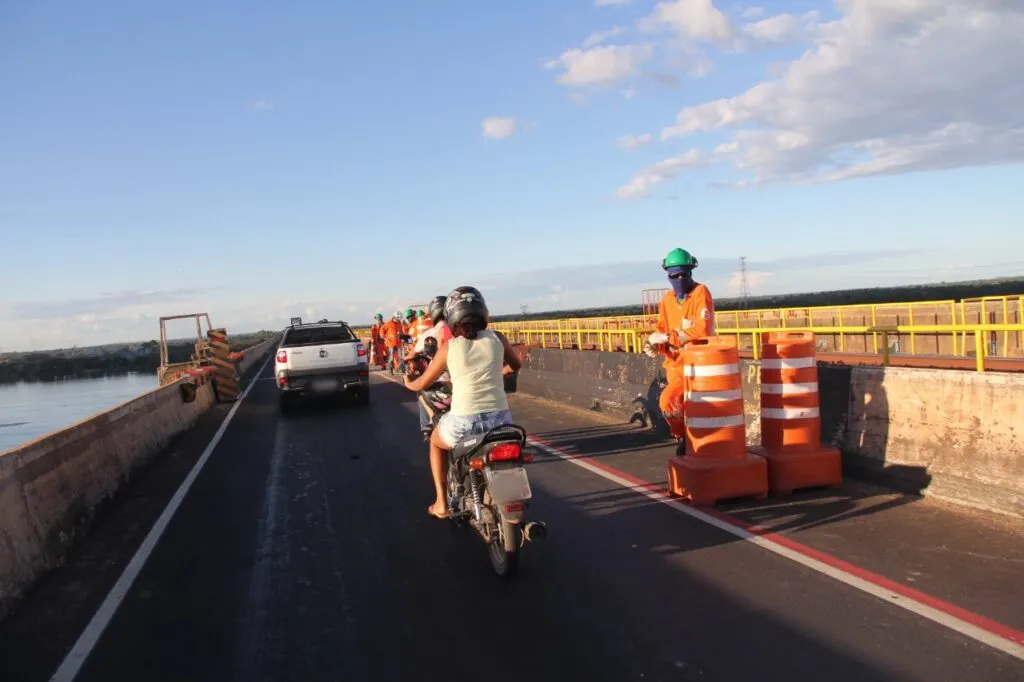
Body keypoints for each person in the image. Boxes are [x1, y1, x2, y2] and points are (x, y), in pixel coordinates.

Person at [404, 286, 521, 519]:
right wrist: (500, 372)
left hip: (464, 422)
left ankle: (441, 503)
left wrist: (408, 382)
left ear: (452, 318)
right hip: (501, 421)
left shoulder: (450, 348)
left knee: (436, 443)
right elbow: (515, 365)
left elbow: (423, 383)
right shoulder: (498, 338)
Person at [644, 248, 715, 456]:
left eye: (685, 274)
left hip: (698, 364)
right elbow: (662, 329)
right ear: (668, 275)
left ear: (692, 271)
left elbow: (702, 329)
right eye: (675, 275)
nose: (681, 279)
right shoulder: (667, 301)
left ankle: (694, 439)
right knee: (670, 404)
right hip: (676, 365)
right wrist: (654, 344)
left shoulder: (700, 293)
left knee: (683, 403)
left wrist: (670, 337)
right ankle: (682, 436)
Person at [405, 296, 454, 440]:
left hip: (444, 380)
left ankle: (430, 422)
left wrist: (408, 382)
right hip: (462, 379)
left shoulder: (435, 331)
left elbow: (416, 349)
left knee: (421, 389)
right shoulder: (460, 330)